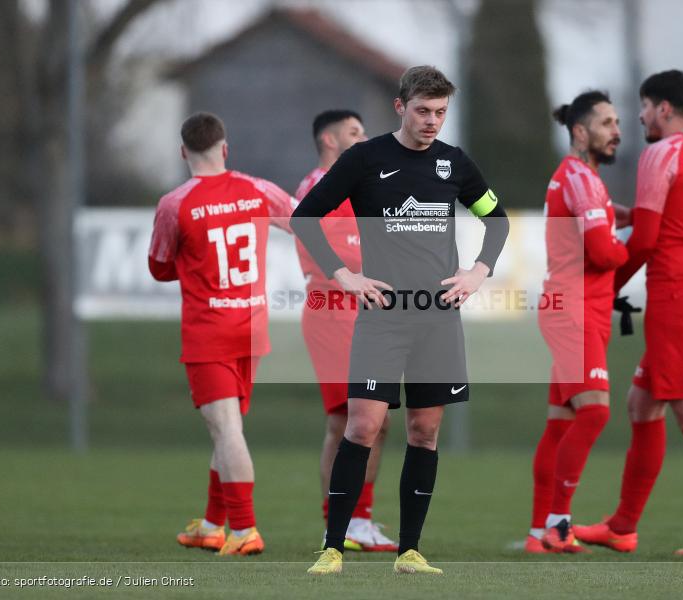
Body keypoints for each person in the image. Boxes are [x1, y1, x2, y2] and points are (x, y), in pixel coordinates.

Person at [291, 65, 509, 575]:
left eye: (440, 112)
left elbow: (495, 220)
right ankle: (333, 547)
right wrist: (345, 276)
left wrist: (478, 271)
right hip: (382, 319)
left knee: (423, 431)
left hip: (436, 320)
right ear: (400, 107)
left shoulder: (454, 164)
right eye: (423, 111)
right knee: (363, 425)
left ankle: (409, 550)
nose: (432, 121)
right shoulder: (365, 159)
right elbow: (306, 216)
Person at [574, 70, 683, 556]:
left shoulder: (661, 152)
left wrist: (604, 290)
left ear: (665, 109)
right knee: (642, 403)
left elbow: (647, 241)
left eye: (646, 107)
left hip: (679, 298)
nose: (641, 117)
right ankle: (622, 526)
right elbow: (673, 221)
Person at [148, 112, 294, 556]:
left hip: (209, 332)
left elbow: (158, 266)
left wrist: (194, 264)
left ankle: (245, 529)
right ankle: (212, 525)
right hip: (251, 328)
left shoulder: (176, 203)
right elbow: (303, 220)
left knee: (226, 430)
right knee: (226, 431)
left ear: (182, 153)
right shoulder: (259, 189)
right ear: (225, 149)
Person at [527, 91, 628, 554]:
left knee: (560, 423)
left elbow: (596, 234)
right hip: (573, 310)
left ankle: (538, 533)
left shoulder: (581, 179)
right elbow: (605, 252)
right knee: (595, 411)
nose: (618, 131)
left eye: (618, 122)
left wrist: (616, 217)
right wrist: (641, 240)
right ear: (581, 131)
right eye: (607, 122)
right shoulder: (580, 178)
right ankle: (558, 523)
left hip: (576, 308)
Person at [294, 109, 397, 552]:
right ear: (330, 141)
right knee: (352, 421)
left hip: (365, 315)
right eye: (355, 132)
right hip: (333, 312)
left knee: (372, 422)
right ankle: (340, 522)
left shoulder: (358, 189)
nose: (365, 138)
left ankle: (358, 519)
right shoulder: (317, 187)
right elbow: (331, 252)